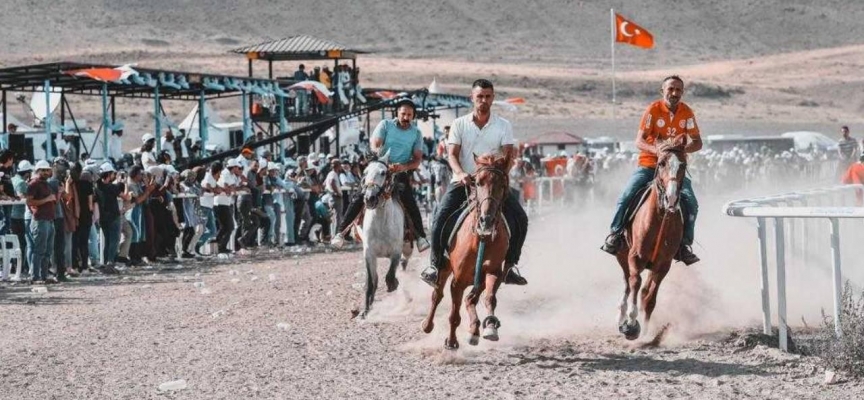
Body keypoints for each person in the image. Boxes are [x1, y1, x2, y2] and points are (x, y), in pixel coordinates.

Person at [419, 80, 529, 287]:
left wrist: (501, 178)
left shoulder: (503, 125)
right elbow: (452, 154)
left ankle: (511, 265)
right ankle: (434, 265)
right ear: (472, 98)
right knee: (439, 216)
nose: (483, 100)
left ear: (493, 98)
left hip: (493, 186)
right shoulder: (459, 124)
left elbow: (508, 157)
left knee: (521, 218)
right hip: (464, 182)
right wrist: (460, 173)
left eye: (488, 96)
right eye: (479, 96)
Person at [600, 75, 702, 265]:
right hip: (649, 165)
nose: (674, 93)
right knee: (627, 195)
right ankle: (615, 234)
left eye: (678, 90)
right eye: (670, 89)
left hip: (674, 170)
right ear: (662, 91)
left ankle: (684, 246)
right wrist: (659, 151)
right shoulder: (653, 111)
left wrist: (677, 152)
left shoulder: (687, 113)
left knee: (692, 203)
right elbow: (639, 141)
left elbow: (697, 143)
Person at [330, 99, 431, 252]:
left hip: (399, 172)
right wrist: (382, 160)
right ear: (397, 113)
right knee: (360, 196)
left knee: (409, 201)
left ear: (413, 116)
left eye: (409, 115)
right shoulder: (385, 124)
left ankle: (420, 237)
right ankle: (341, 233)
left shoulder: (416, 133)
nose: (406, 117)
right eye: (403, 113)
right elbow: (375, 144)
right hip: (379, 167)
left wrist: (403, 166)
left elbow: (417, 160)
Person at [26, 160, 56, 283]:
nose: (45, 172)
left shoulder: (46, 184)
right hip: (40, 220)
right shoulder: (34, 184)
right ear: (37, 171)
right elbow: (29, 201)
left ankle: (44, 275)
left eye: (46, 170)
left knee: (48, 250)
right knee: (39, 249)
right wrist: (47, 199)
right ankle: (35, 276)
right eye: (42, 170)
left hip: (49, 220)